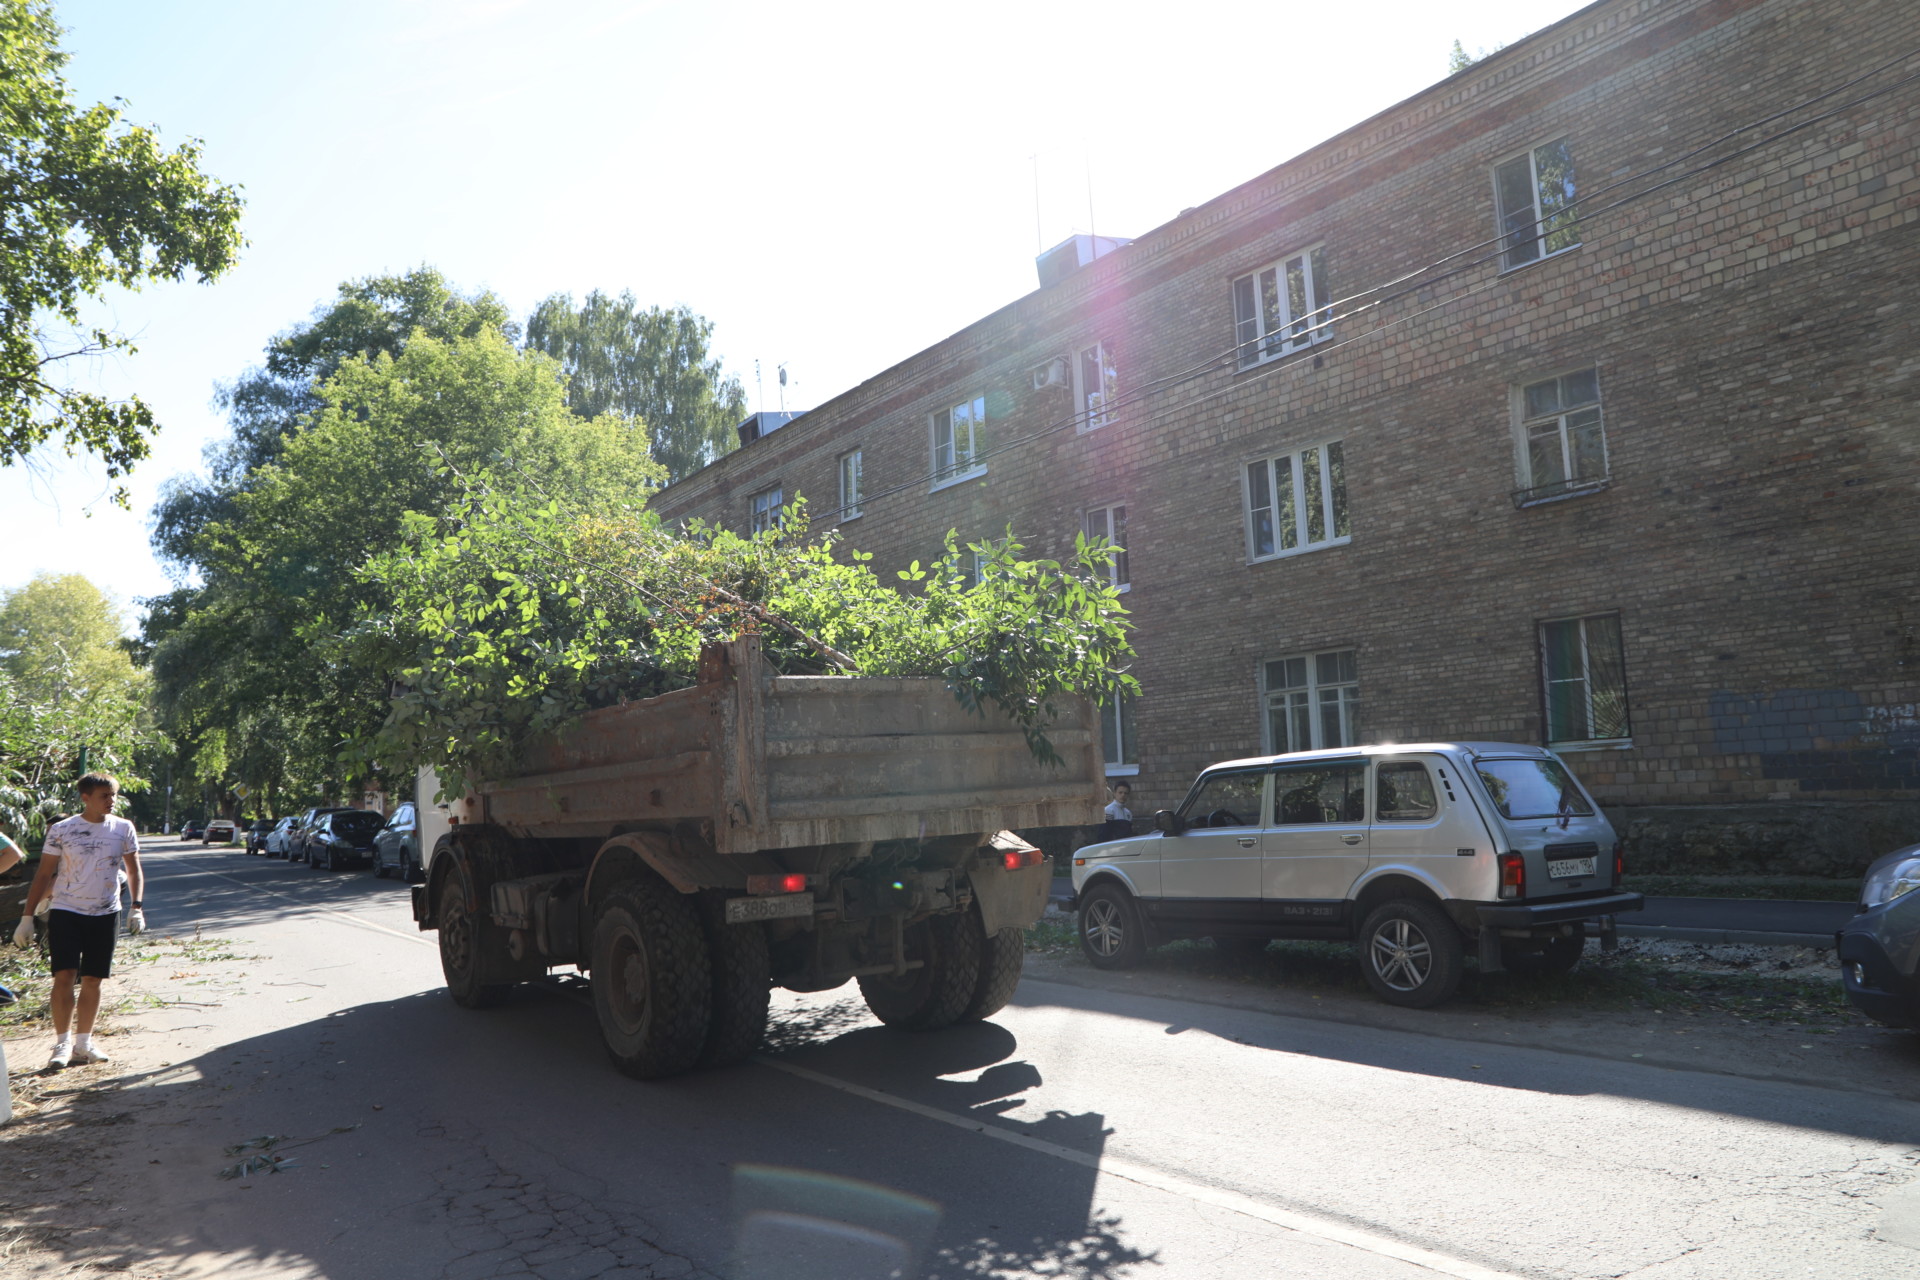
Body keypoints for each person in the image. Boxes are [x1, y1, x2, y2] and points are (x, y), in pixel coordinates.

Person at [15, 773, 145, 1069]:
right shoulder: (63, 829)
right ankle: (61, 1044)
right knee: (64, 975)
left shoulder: (123, 828)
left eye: (113, 795)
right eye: (104, 796)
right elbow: (45, 873)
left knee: (93, 979)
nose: (110, 801)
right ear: (85, 798)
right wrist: (27, 917)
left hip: (105, 912)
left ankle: (83, 1044)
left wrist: (136, 907)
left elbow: (134, 871)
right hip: (66, 911)